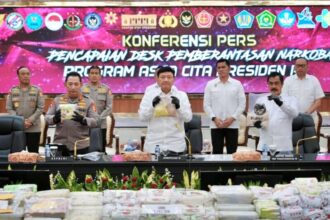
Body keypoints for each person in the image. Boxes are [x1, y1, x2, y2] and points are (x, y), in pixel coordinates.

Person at [139, 66, 192, 154]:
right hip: (154, 145)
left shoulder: (182, 95)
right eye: (162, 77)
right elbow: (142, 117)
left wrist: (179, 107)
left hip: (176, 145)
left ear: (173, 79)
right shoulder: (149, 95)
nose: (166, 80)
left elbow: (188, 118)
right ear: (158, 79)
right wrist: (152, 106)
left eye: (169, 77)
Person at [45, 72, 98, 154]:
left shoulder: (88, 101)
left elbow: (95, 121)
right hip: (60, 144)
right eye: (70, 84)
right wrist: (55, 119)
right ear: (65, 84)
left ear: (81, 84)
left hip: (81, 146)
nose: (73, 87)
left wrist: (83, 120)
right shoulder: (57, 100)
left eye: (76, 84)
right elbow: (47, 118)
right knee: (58, 167)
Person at [203, 59, 246, 154]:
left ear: (229, 68)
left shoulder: (237, 84)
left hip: (232, 124)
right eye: (219, 67)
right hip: (216, 124)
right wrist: (214, 118)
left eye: (223, 67)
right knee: (217, 153)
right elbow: (206, 105)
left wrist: (232, 118)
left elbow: (242, 104)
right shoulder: (210, 84)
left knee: (232, 153)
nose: (221, 69)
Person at [255, 72, 299, 152]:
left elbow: (295, 114)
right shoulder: (261, 100)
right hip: (265, 146)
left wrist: (280, 103)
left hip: (283, 147)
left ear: (282, 84)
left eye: (276, 83)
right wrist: (257, 123)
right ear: (267, 84)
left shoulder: (291, 99)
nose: (273, 86)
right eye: (271, 83)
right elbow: (256, 120)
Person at [6, 66, 45, 153]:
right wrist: (20, 121)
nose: (26, 76)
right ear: (18, 76)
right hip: (17, 128)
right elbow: (9, 108)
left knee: (33, 154)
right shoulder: (12, 91)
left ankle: (33, 167)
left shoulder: (37, 90)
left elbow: (40, 108)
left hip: (33, 128)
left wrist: (30, 121)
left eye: (28, 74)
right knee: (17, 154)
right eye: (23, 74)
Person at [81, 66, 113, 152]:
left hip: (100, 124)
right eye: (92, 73)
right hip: (85, 124)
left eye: (96, 73)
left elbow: (109, 107)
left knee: (100, 149)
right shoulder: (82, 89)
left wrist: (98, 118)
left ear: (100, 75)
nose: (94, 75)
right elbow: (79, 105)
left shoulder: (106, 89)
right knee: (85, 149)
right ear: (88, 75)